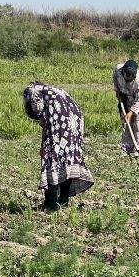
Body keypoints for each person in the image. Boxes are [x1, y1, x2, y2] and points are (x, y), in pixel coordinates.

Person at [23, 83, 94, 212]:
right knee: (68, 158)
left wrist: (45, 146)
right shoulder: (51, 91)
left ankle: (51, 204)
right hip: (74, 120)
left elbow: (37, 110)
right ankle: (63, 200)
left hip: (60, 121)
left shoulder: (32, 92)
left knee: (53, 159)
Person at [112, 59, 139, 157]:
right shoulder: (118, 70)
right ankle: (127, 149)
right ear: (123, 71)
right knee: (126, 122)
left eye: (132, 76)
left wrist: (131, 112)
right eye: (127, 75)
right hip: (125, 95)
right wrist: (117, 91)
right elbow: (115, 81)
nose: (129, 77)